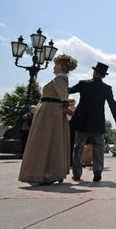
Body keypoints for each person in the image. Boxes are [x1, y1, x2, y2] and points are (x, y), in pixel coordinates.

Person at [18, 54, 77, 185]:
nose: (54, 66)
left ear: (61, 67)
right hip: (49, 113)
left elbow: (64, 98)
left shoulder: (60, 80)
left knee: (44, 142)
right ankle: (49, 172)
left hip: (50, 115)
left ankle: (45, 173)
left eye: (56, 64)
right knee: (49, 143)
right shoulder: (59, 79)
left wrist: (68, 110)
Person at [69, 62, 116, 182]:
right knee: (99, 147)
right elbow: (112, 104)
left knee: (78, 147)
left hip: (82, 121)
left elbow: (69, 90)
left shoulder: (83, 84)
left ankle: (77, 174)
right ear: (104, 76)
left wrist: (61, 82)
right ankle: (98, 172)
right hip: (97, 122)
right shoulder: (106, 88)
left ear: (94, 72)